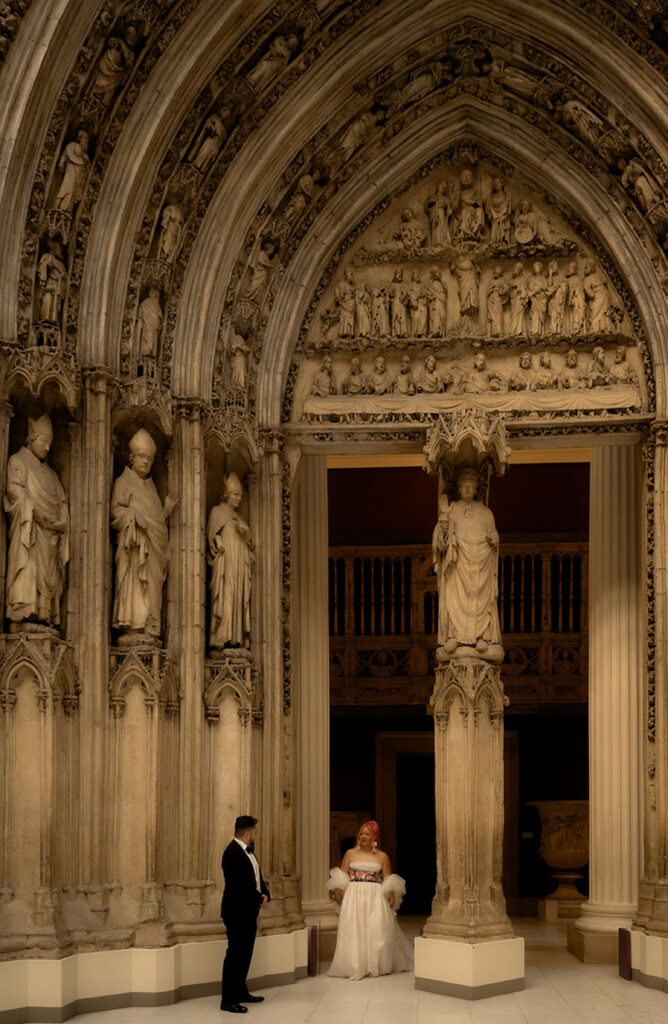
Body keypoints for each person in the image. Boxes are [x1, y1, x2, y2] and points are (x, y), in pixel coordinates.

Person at [111, 428, 176, 642]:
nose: (146, 462)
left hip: (153, 553)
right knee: (135, 586)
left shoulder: (152, 488)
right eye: (142, 457)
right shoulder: (124, 482)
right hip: (134, 551)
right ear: (131, 457)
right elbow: (116, 511)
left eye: (150, 458)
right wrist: (132, 515)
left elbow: (155, 522)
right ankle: (133, 627)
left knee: (152, 590)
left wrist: (165, 512)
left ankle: (149, 627)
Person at [4, 414, 69, 628]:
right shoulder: (17, 461)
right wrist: (33, 510)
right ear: (32, 438)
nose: (48, 448)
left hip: (49, 538)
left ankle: (43, 615)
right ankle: (23, 612)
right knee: (27, 568)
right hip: (29, 531)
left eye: (50, 443)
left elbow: (62, 501)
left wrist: (61, 521)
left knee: (47, 578)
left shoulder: (51, 474)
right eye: (44, 442)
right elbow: (14, 490)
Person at [432, 468, 503, 661]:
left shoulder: (486, 513)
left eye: (470, 486)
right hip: (458, 566)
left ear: (475, 489)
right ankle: (454, 635)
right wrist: (445, 520)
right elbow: (441, 543)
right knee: (454, 598)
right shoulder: (452, 511)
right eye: (464, 486)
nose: (467, 489)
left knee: (481, 598)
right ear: (458, 488)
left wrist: (495, 540)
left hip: (480, 565)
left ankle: (482, 636)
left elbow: (493, 537)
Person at [327, 820, 412, 980]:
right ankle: (353, 965)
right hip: (354, 894)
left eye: (367, 834)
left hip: (375, 896)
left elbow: (388, 877)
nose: (363, 836)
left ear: (374, 836)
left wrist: (391, 894)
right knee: (353, 927)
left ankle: (376, 964)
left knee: (376, 928)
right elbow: (343, 874)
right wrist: (338, 891)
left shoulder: (382, 856)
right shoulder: (350, 853)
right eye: (361, 833)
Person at [221, 815, 270, 1013]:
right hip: (236, 912)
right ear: (248, 833)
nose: (255, 836)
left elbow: (257, 877)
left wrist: (266, 893)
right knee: (235, 955)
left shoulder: (249, 852)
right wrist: (259, 899)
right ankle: (228, 1000)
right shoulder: (232, 853)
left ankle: (241, 992)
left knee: (245, 954)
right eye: (255, 832)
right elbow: (240, 885)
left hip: (248, 912)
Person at [208, 473, 253, 649]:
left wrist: (246, 532)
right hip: (226, 565)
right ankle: (222, 635)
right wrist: (216, 540)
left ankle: (236, 638)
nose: (239, 499)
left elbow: (250, 542)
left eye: (241, 495)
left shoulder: (240, 518)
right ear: (226, 495)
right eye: (236, 495)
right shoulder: (217, 512)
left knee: (238, 598)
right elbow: (211, 535)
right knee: (226, 596)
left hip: (239, 565)